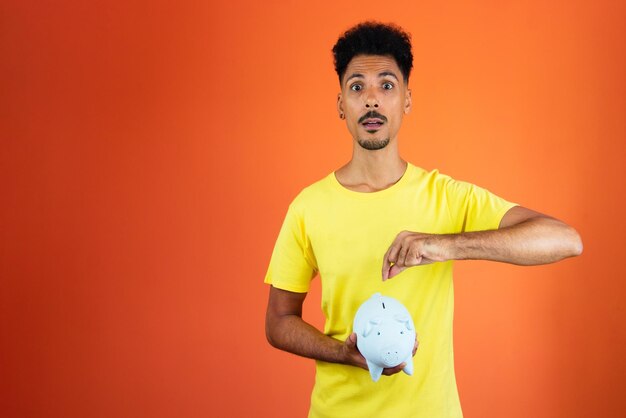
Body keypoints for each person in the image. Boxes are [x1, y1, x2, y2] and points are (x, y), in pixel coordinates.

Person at [264, 21, 582, 418]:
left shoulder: (446, 196)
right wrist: (343, 353)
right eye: (357, 87)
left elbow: (565, 239)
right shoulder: (308, 207)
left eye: (387, 85)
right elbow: (278, 321)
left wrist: (444, 244)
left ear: (407, 101)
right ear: (341, 104)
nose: (372, 101)